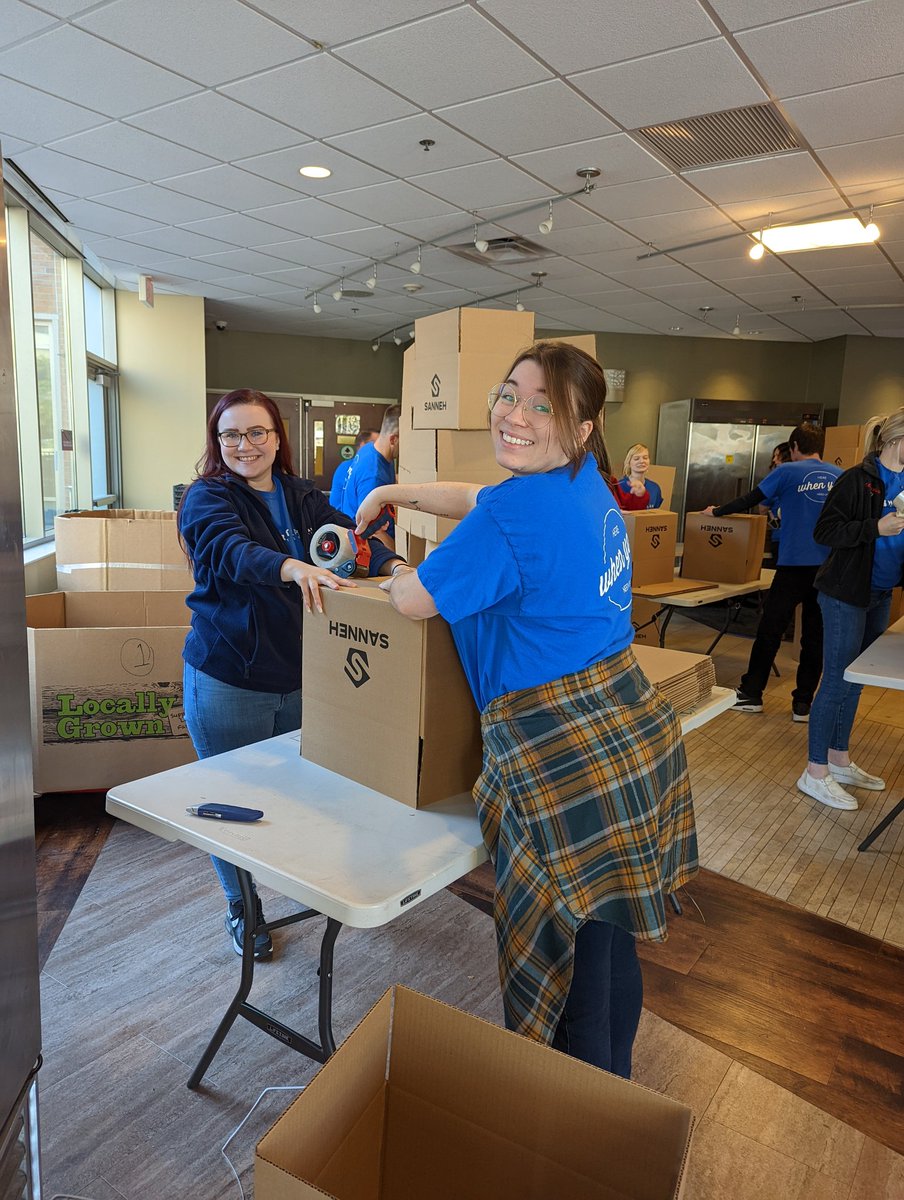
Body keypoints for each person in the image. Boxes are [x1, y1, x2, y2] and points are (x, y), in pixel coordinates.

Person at [352, 342, 696, 1078]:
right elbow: (481, 499)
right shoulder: (585, 485)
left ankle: (577, 1120)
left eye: (544, 406)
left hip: (560, 748)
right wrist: (395, 493)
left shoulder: (517, 515)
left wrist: (392, 566)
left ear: (582, 426)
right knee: (608, 937)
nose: (515, 414)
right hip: (629, 727)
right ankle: (616, 1094)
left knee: (569, 970)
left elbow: (415, 601)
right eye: (509, 394)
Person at [178, 389, 405, 959]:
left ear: (278, 438)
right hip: (231, 678)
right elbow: (229, 552)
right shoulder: (206, 498)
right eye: (231, 434)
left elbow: (348, 539)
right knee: (230, 804)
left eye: (257, 432)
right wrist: (288, 565)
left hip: (303, 677)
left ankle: (315, 885)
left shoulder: (301, 495)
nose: (244, 445)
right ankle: (243, 907)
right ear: (217, 441)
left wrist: (392, 564)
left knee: (305, 794)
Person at [797, 410, 904, 811]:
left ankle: (839, 759)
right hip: (844, 593)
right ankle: (815, 771)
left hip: (879, 593)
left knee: (857, 679)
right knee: (838, 680)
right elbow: (824, 532)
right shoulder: (857, 479)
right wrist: (875, 528)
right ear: (896, 440)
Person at [703, 423, 842, 720]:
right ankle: (803, 705)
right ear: (821, 448)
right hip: (828, 568)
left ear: (793, 448)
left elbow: (750, 500)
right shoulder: (839, 476)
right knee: (815, 638)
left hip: (793, 566)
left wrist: (715, 512)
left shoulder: (787, 471)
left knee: (770, 631)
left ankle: (752, 694)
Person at [338, 405, 400, 539]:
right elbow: (371, 533)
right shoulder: (373, 476)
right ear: (393, 440)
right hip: (368, 546)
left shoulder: (370, 449)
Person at [328, 428, 377, 508]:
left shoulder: (370, 468)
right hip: (343, 517)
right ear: (362, 445)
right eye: (375, 444)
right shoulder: (348, 467)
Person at [615, 443, 663, 511]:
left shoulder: (655, 488)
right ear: (628, 463)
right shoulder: (619, 486)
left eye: (645, 458)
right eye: (636, 459)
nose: (641, 461)